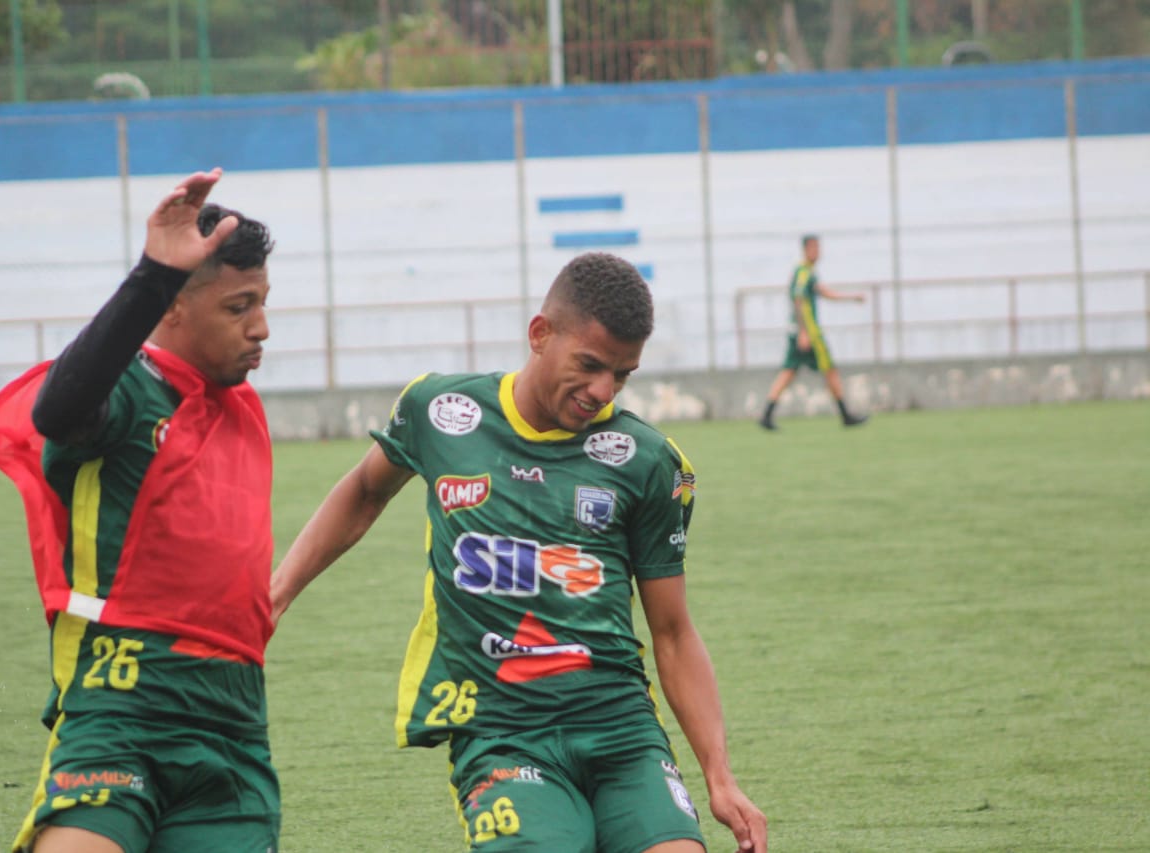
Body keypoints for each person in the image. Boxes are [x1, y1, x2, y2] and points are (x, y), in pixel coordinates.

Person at [271, 252, 767, 853]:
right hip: (501, 732)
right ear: (540, 334)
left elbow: (673, 630)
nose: (601, 391)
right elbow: (364, 490)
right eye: (588, 365)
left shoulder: (648, 460)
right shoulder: (441, 412)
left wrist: (719, 776)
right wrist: (277, 594)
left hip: (621, 732)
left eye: (622, 374)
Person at [0, 168, 280, 853]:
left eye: (263, 302)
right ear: (172, 307)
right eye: (239, 307)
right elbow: (60, 410)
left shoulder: (240, 405)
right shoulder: (130, 393)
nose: (261, 327)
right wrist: (151, 276)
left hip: (233, 723)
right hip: (123, 706)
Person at [758, 234, 868, 430]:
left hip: (802, 332)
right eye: (815, 248)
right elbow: (798, 299)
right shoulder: (803, 272)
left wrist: (851, 298)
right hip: (809, 333)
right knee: (829, 370)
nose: (818, 252)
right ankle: (845, 415)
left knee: (789, 371)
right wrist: (804, 332)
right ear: (806, 249)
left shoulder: (808, 272)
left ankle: (767, 414)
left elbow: (823, 292)